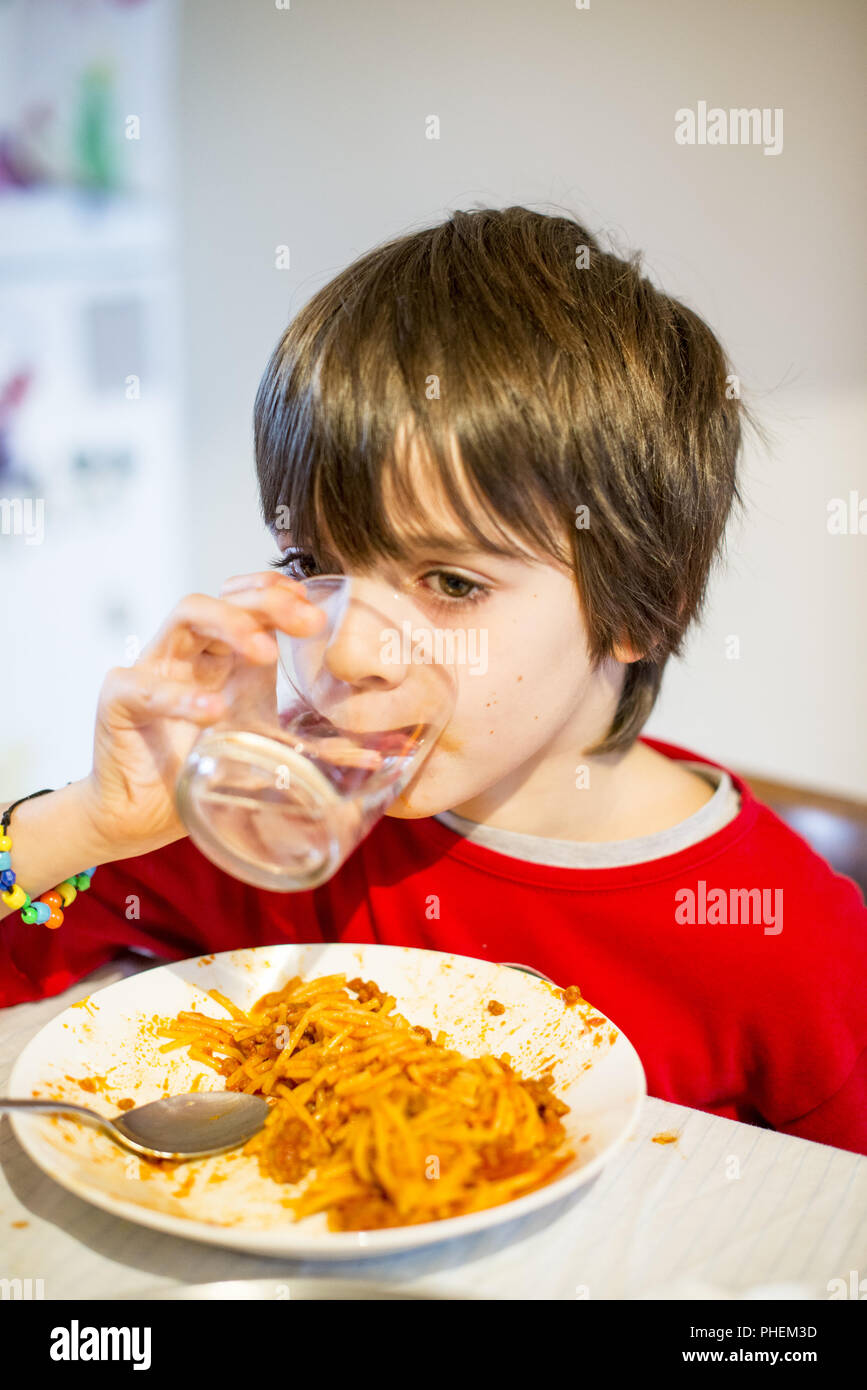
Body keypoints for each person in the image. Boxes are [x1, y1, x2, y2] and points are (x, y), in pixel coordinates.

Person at [2, 206, 865, 1153]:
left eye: (451, 583)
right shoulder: (272, 832)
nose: (347, 655)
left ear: (639, 606)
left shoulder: (785, 940)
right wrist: (89, 819)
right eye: (310, 566)